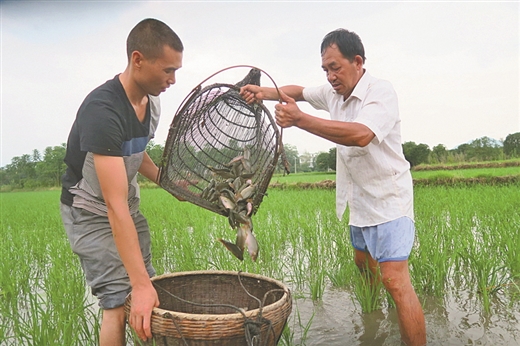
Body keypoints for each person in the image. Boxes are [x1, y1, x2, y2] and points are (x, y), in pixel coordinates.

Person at [240, 29, 426, 346]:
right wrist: (264, 93)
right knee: (365, 273)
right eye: (325, 69)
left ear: (357, 61)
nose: (330, 76)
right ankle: (375, 324)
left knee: (395, 281)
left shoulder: (380, 93)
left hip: (390, 202)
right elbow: (298, 92)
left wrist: (300, 121)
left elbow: (360, 134)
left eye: (335, 67)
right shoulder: (332, 94)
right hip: (360, 203)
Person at [60, 18, 183, 345]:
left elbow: (135, 153)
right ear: (138, 59)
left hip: (125, 204)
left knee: (146, 291)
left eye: (176, 71)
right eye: (167, 70)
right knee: (118, 300)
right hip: (90, 211)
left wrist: (166, 181)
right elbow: (112, 205)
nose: (172, 79)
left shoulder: (151, 101)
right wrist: (139, 285)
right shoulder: (102, 110)